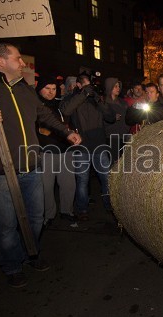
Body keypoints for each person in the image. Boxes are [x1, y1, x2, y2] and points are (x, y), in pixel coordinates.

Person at [0, 42, 81, 288]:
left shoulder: (24, 89)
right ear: (0, 62)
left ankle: (31, 253)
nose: (22, 63)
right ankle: (12, 264)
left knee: (36, 217)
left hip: (31, 166)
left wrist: (66, 132)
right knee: (6, 225)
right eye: (17, 58)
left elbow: (45, 115)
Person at [59, 72, 115, 221]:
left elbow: (110, 117)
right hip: (81, 147)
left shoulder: (96, 99)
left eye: (90, 85)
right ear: (78, 85)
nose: (89, 88)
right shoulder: (73, 98)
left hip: (99, 146)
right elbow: (65, 111)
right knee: (82, 180)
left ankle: (110, 205)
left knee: (106, 178)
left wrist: (97, 99)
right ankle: (82, 208)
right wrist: (83, 94)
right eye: (85, 85)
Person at [35, 76, 77, 226]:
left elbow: (68, 123)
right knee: (46, 186)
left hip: (65, 151)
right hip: (46, 152)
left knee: (68, 184)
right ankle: (49, 214)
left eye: (54, 89)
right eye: (47, 88)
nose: (51, 92)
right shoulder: (34, 105)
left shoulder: (60, 105)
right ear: (39, 88)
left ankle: (67, 210)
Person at [103, 77, 131, 162]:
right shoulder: (103, 103)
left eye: (119, 86)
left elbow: (128, 117)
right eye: (115, 86)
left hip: (124, 136)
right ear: (109, 87)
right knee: (114, 163)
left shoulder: (123, 102)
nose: (118, 88)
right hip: (111, 137)